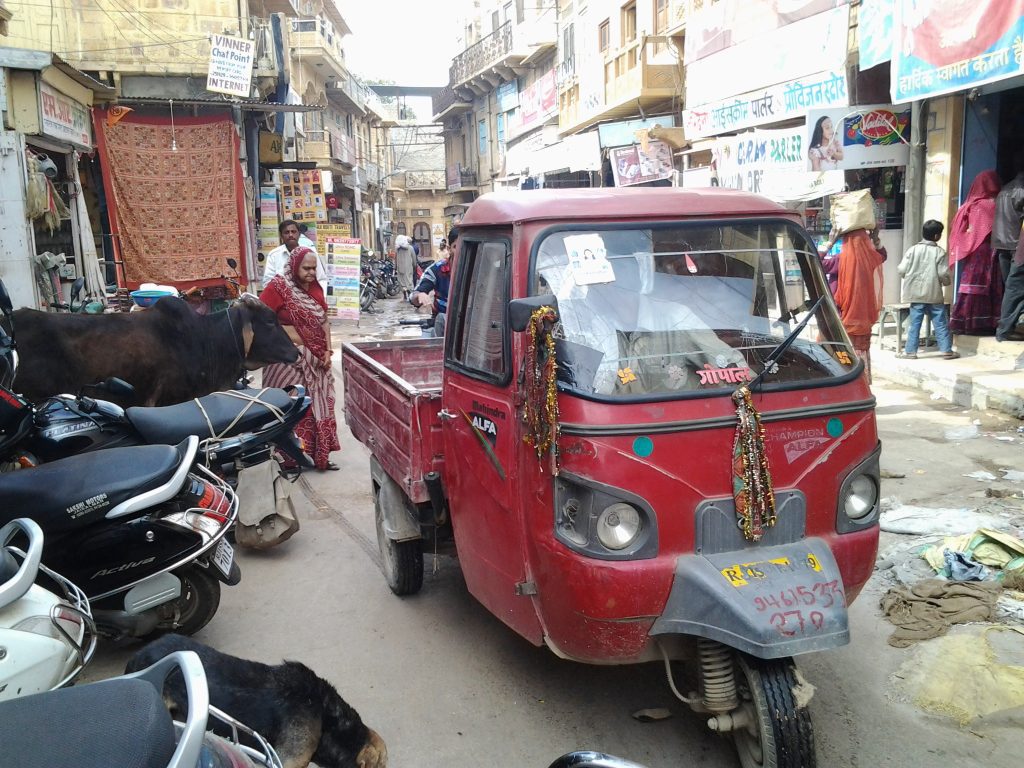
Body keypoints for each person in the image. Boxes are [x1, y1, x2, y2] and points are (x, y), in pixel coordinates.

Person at [259, 246, 340, 471]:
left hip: (316, 360)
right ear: (294, 266)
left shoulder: (315, 290)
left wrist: (327, 350)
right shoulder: (278, 287)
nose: (311, 273)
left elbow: (324, 321)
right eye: (306, 268)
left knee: (320, 406)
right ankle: (290, 458)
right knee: (291, 406)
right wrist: (290, 340)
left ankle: (320, 455)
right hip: (287, 359)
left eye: (314, 268)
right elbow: (263, 319)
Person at [948, 170, 1001, 334]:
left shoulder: (968, 205)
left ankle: (965, 322)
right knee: (989, 284)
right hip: (989, 251)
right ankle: (986, 323)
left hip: (972, 252)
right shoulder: (993, 204)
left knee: (971, 286)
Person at [896, 220, 958, 360]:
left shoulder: (912, 250)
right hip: (933, 294)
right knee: (940, 322)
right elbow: (943, 274)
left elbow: (901, 270)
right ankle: (946, 350)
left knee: (915, 323)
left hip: (915, 294)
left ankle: (911, 352)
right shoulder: (940, 253)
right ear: (937, 236)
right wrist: (946, 283)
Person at [834, 229, 884, 381]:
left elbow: (818, 261)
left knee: (842, 351)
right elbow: (883, 256)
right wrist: (876, 239)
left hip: (842, 316)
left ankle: (846, 380)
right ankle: (861, 381)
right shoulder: (869, 258)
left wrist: (830, 242)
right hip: (863, 317)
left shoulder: (840, 259)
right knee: (861, 349)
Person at [410, 227, 456, 338]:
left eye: (465, 246)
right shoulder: (436, 270)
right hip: (441, 326)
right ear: (449, 249)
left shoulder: (479, 269)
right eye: (456, 247)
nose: (461, 251)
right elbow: (414, 297)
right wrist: (420, 295)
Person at [263, 220, 328, 294]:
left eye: (293, 232)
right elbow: (267, 283)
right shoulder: (274, 255)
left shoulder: (310, 254)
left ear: (299, 234)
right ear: (281, 236)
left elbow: (321, 279)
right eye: (286, 232)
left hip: (309, 298)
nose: (290, 235)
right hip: (282, 299)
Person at [992, 163, 1024, 285]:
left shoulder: (1004, 189)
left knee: (1008, 283)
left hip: (1001, 242)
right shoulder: (1021, 190)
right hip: (1016, 243)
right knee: (1015, 284)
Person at [997, 230, 1024, 341]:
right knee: (1014, 291)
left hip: (1003, 243)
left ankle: (1006, 329)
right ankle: (1004, 331)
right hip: (1017, 250)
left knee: (1012, 290)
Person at [393, 234, 416, 299]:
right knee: (409, 281)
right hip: (408, 267)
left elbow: (395, 258)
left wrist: (395, 267)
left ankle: (405, 295)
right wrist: (414, 266)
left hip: (400, 267)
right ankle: (410, 295)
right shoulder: (410, 248)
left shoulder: (398, 249)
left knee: (401, 281)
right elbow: (414, 258)